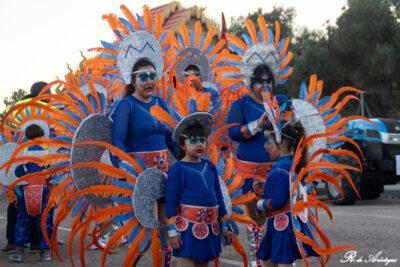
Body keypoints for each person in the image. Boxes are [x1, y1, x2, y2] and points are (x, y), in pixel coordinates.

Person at [165, 114, 234, 267]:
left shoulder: (210, 167)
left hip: (209, 227)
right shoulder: (177, 169)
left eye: (202, 140)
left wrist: (224, 225)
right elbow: (171, 201)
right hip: (187, 230)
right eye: (194, 140)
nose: (199, 144)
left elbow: (219, 198)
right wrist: (172, 231)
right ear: (183, 145)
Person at [256, 122, 318, 266]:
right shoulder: (290, 165)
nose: (264, 146)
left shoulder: (282, 168)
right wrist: (265, 186)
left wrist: (260, 204)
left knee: (282, 261)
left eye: (268, 141)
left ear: (282, 143)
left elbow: (278, 201)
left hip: (282, 225)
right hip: (280, 224)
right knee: (269, 259)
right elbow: (283, 190)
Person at [9, 124, 53, 262]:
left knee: (22, 221)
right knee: (44, 221)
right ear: (41, 134)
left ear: (27, 135)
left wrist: (18, 188)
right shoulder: (48, 151)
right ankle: (45, 251)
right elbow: (54, 171)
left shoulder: (22, 151)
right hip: (44, 189)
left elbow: (16, 172)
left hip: (26, 188)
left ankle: (19, 252)